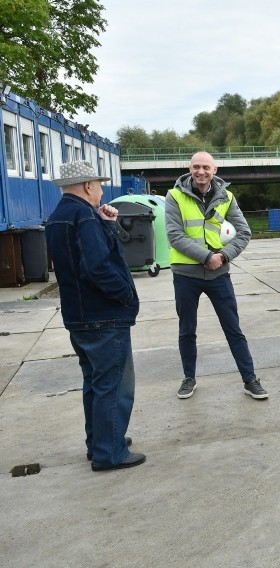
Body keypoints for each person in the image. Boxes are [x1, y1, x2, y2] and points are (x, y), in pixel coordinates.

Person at [45, 161, 145, 471]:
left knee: (95, 383)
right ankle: (109, 453)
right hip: (103, 316)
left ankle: (101, 442)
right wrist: (125, 294)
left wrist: (103, 222)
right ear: (88, 186)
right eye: (99, 185)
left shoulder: (58, 217)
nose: (101, 190)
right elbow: (97, 266)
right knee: (114, 385)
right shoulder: (84, 216)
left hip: (78, 316)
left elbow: (78, 260)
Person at [165, 151, 268, 400]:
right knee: (187, 330)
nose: (201, 172)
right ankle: (189, 378)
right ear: (189, 168)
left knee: (233, 328)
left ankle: (250, 379)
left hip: (219, 273)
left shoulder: (226, 197)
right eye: (196, 167)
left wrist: (222, 256)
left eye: (206, 167)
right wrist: (206, 256)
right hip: (185, 275)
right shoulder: (175, 196)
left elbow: (244, 232)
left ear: (215, 170)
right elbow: (175, 235)